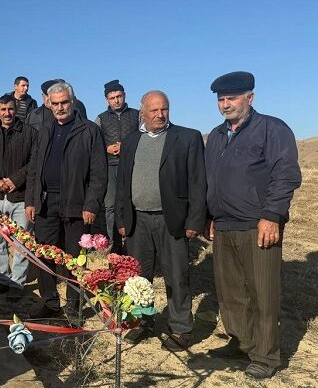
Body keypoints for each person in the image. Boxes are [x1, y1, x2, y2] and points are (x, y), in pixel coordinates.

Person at [204, 71, 301, 380]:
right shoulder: (216, 136)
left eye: (231, 98)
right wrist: (210, 216)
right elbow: (211, 180)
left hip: (257, 224)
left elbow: (285, 174)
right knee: (230, 291)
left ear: (250, 97)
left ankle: (266, 355)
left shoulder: (271, 129)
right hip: (224, 224)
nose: (225, 104)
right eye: (221, 99)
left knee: (263, 292)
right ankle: (241, 342)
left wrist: (271, 215)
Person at [115, 90, 206, 351]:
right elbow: (122, 183)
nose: (160, 114)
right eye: (154, 110)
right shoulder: (131, 141)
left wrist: (194, 221)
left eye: (164, 109)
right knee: (138, 278)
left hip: (171, 220)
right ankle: (141, 322)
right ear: (142, 113)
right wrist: (122, 219)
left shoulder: (187, 138)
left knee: (176, 276)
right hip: (138, 220)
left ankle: (181, 329)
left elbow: (198, 182)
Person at [25, 81, 106, 319]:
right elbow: (33, 168)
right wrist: (31, 200)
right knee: (45, 255)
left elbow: (99, 173)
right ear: (49, 104)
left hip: (76, 205)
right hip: (46, 203)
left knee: (74, 258)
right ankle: (50, 303)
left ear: (73, 101)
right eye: (55, 103)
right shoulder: (45, 131)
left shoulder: (89, 131)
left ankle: (73, 306)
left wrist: (91, 204)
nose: (60, 107)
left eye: (64, 102)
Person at [0, 94, 38, 302]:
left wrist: (15, 180)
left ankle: (17, 283)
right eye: (3, 110)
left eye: (10, 109)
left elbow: (34, 162)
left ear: (16, 110)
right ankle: (2, 278)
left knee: (22, 243)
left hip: (20, 197)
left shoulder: (30, 133)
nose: (7, 113)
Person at [95, 79, 139, 248]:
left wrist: (127, 146)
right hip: (110, 166)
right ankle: (112, 243)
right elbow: (95, 142)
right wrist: (106, 148)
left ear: (124, 95)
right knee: (111, 206)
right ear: (106, 99)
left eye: (119, 96)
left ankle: (133, 240)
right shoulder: (101, 118)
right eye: (112, 98)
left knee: (133, 202)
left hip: (132, 166)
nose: (116, 100)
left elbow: (144, 137)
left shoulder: (137, 115)